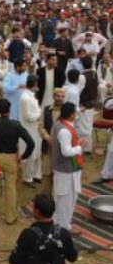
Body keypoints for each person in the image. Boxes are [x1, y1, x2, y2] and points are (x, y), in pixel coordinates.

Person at [8, 194, 77, 264]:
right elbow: (73, 257)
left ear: (37, 211)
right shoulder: (64, 234)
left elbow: (14, 261)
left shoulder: (27, 234)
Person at [0, 99, 35, 224]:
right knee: (10, 188)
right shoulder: (16, 125)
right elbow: (31, 143)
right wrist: (23, 157)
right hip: (11, 158)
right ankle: (10, 217)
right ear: (9, 109)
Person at [52, 102, 86, 235]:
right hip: (65, 171)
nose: (76, 114)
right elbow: (66, 151)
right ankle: (64, 228)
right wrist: (79, 148)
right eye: (75, 113)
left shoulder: (62, 124)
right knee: (65, 200)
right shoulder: (64, 130)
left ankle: (61, 224)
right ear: (71, 115)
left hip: (68, 169)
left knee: (67, 198)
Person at [38, 88, 65, 194]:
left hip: (60, 148)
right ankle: (46, 199)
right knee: (46, 173)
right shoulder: (46, 110)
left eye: (62, 97)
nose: (60, 98)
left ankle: (56, 199)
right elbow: (40, 126)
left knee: (58, 174)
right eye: (58, 96)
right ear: (54, 96)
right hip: (47, 147)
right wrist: (47, 137)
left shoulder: (66, 111)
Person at [20, 75, 42, 187]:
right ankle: (27, 178)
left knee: (37, 152)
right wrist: (39, 115)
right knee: (31, 153)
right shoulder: (25, 98)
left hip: (35, 128)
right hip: (29, 129)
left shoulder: (31, 96)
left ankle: (35, 175)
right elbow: (28, 116)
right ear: (34, 84)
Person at [75, 56, 98, 154]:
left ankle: (83, 147)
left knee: (82, 127)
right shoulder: (94, 73)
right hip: (92, 103)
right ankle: (88, 147)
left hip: (84, 104)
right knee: (88, 126)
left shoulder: (82, 76)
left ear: (82, 64)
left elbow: (78, 91)